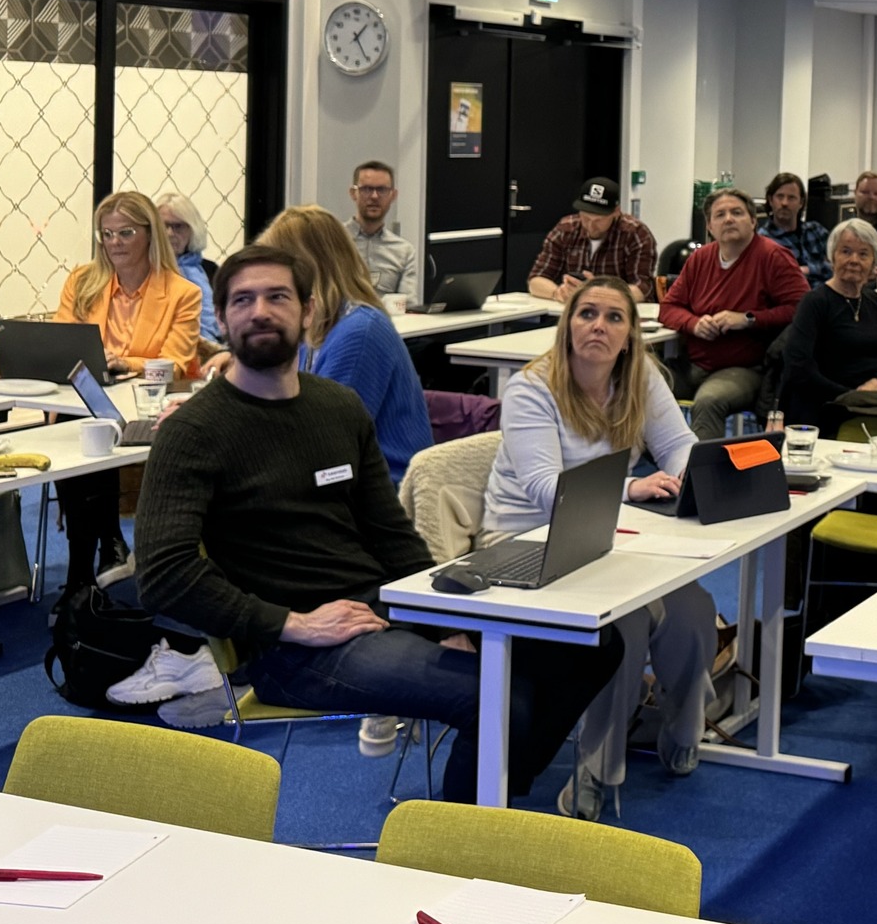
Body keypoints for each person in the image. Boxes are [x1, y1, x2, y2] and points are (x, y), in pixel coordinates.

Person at [134, 243, 622, 804]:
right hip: (292, 648)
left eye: (277, 297)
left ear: (308, 311)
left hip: (383, 610)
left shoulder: (338, 408)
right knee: (499, 699)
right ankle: (457, 842)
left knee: (592, 648)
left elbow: (392, 535)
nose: (260, 311)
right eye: (242, 300)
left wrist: (445, 621)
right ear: (221, 319)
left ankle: (496, 803)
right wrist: (292, 623)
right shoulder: (193, 432)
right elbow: (164, 575)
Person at [482, 275, 716, 816]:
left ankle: (684, 725)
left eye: (614, 317)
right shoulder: (531, 388)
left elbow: (679, 443)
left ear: (630, 334)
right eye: (587, 314)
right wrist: (631, 488)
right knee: (624, 624)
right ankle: (597, 768)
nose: (599, 326)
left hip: (610, 533)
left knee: (693, 609)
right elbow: (544, 488)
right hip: (525, 539)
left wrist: (689, 474)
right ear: (568, 324)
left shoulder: (640, 376)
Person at [52, 190, 202, 591]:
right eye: (107, 234)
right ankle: (95, 557)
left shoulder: (182, 293)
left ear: (150, 234)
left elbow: (175, 360)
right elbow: (63, 343)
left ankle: (89, 569)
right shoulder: (82, 283)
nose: (114, 243)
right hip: (87, 403)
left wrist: (125, 363)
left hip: (148, 407)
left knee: (94, 432)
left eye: (125, 233)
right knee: (82, 428)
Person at [257, 205, 433, 482]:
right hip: (341, 477)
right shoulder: (321, 324)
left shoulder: (359, 333)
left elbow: (322, 442)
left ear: (305, 269)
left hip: (381, 490)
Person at [658, 187, 808, 438]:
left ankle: (703, 465)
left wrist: (748, 319)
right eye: (720, 215)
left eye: (737, 213)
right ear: (709, 226)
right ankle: (651, 459)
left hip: (747, 368)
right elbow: (668, 308)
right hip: (693, 365)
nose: (728, 219)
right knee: (638, 384)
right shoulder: (699, 259)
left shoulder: (773, 256)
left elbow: (802, 309)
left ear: (753, 221)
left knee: (708, 402)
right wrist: (694, 323)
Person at [779, 219, 877, 429]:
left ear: (874, 263)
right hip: (826, 405)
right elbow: (799, 368)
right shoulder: (814, 302)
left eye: (863, 254)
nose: (854, 260)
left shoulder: (874, 301)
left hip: (871, 403)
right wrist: (851, 396)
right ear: (832, 257)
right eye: (846, 251)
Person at [528, 175, 659, 302]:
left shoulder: (635, 234)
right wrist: (558, 293)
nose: (591, 226)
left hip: (619, 308)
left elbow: (642, 288)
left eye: (599, 220)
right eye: (585, 218)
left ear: (616, 212)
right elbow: (536, 280)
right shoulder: (565, 229)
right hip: (575, 308)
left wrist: (600, 294)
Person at [343, 160, 419, 305]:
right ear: (353, 193)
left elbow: (408, 305)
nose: (374, 196)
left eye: (382, 190)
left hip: (388, 319)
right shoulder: (333, 241)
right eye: (366, 189)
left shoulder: (404, 251)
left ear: (393, 195)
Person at [156, 191, 220, 344]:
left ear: (193, 229)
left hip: (213, 348)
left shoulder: (210, 270)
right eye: (164, 226)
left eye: (178, 226)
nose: (170, 233)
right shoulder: (143, 270)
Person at [758, 171, 829, 286]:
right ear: (770, 200)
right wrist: (819, 269)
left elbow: (839, 266)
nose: (784, 203)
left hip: (827, 294)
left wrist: (808, 270)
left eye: (791, 198)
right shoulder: (763, 241)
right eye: (780, 197)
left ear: (801, 202)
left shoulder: (816, 231)